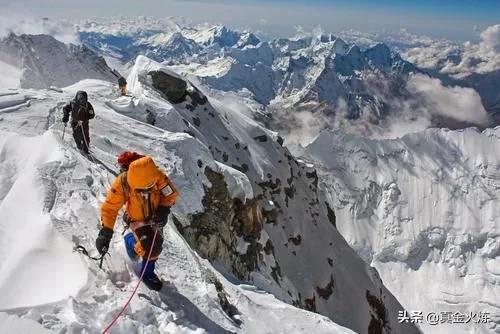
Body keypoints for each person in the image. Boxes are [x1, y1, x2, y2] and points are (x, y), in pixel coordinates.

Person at [96, 151, 179, 290]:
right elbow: (110, 208)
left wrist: (164, 209)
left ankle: (131, 241)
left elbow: (170, 194)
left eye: (149, 188)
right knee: (152, 248)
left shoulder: (157, 175)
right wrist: (105, 232)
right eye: (141, 189)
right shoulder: (123, 182)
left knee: (156, 242)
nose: (145, 191)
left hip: (155, 217)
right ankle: (147, 273)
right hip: (136, 219)